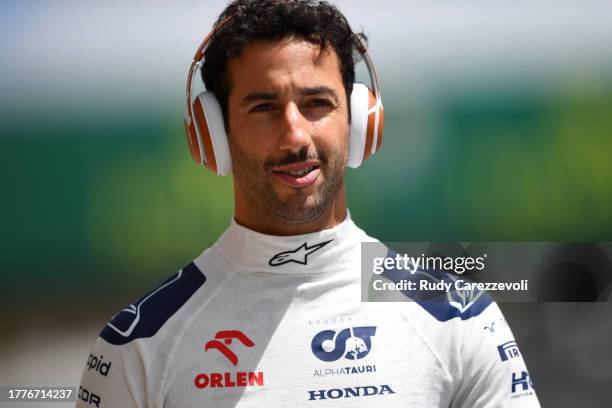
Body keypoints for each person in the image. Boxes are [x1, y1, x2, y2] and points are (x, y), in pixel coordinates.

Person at [77, 1, 541, 406]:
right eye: (263, 107)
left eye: (317, 103)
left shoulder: (457, 319)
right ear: (212, 134)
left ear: (360, 122)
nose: (295, 135)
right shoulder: (140, 345)